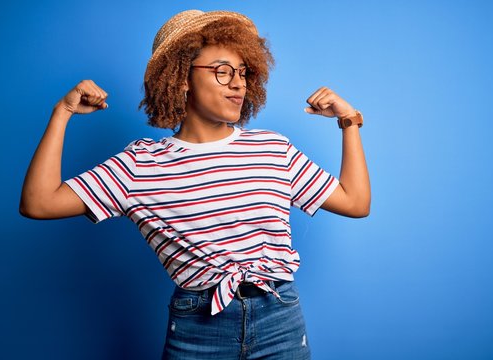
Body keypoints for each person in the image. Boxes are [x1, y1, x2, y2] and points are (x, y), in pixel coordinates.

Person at [20, 9, 370, 360]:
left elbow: (355, 202)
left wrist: (348, 121)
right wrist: (61, 113)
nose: (239, 83)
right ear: (181, 76)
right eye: (222, 71)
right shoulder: (140, 165)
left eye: (243, 72)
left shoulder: (271, 147)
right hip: (198, 328)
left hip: (279, 316)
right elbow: (38, 203)